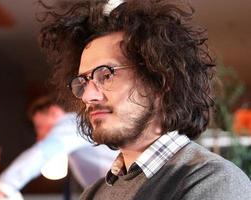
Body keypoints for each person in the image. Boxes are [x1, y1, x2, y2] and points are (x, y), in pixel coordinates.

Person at [38, 0, 251, 199]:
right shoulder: (95, 193)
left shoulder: (214, 181)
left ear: (160, 80)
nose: (88, 95)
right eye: (83, 82)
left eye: (106, 75)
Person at [0, 95, 117, 198]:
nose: (39, 136)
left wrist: (2, 188)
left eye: (39, 127)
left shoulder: (70, 125)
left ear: (53, 111)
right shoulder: (77, 128)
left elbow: (42, 153)